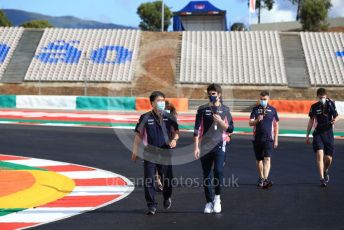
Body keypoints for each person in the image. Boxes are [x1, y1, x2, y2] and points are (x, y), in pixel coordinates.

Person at [131, 91, 180, 215]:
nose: (161, 103)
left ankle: (167, 196)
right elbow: (138, 135)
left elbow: (176, 133)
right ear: (152, 103)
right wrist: (135, 151)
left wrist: (174, 140)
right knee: (149, 180)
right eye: (159, 101)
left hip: (165, 152)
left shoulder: (170, 117)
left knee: (167, 180)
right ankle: (151, 205)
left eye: (163, 101)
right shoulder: (145, 117)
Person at [194, 83, 234, 214]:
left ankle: (217, 198)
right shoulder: (202, 109)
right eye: (209, 94)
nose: (211, 96)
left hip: (219, 145)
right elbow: (197, 130)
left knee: (218, 170)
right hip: (205, 146)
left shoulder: (225, 110)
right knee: (206, 175)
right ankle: (208, 202)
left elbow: (231, 129)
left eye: (214, 94)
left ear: (219, 95)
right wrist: (196, 147)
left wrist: (221, 122)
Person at [306, 88, 339, 187]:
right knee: (320, 154)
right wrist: (307, 134)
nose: (322, 99)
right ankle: (322, 179)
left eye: (324, 97)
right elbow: (311, 121)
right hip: (318, 133)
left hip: (328, 133)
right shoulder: (314, 106)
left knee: (328, 158)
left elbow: (337, 116)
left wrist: (334, 121)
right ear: (318, 97)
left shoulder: (331, 104)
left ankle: (325, 170)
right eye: (320, 98)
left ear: (326, 96)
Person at [249, 91, 279, 189]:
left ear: (268, 99)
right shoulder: (255, 110)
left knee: (267, 158)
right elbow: (250, 123)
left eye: (265, 99)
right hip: (257, 138)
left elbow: (276, 125)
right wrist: (257, 120)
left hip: (269, 138)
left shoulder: (273, 110)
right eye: (261, 99)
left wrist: (276, 139)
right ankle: (261, 178)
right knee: (259, 160)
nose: (263, 101)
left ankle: (265, 179)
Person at [155, 101, 177, 192]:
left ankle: (164, 180)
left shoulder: (172, 117)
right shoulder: (155, 116)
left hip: (168, 143)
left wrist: (174, 139)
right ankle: (158, 181)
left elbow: (175, 131)